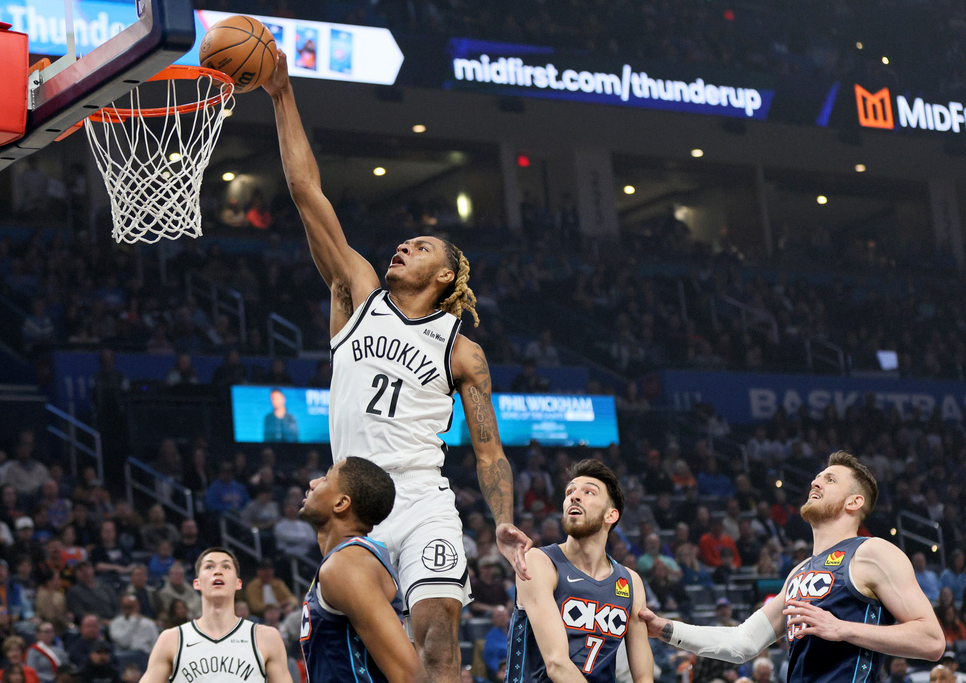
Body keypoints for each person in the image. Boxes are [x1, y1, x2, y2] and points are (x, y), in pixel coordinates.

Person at [264, 52, 530, 683]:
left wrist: (503, 522)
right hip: (357, 504)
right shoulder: (358, 294)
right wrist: (280, 93)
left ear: (444, 276)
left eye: (422, 246)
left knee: (438, 645)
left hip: (424, 499)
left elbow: (488, 451)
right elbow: (307, 192)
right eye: (405, 241)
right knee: (379, 656)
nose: (404, 244)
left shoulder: (461, 350)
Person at [639, 451, 946, 683]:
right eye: (818, 477)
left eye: (830, 479)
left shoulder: (873, 552)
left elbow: (931, 641)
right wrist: (665, 629)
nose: (815, 481)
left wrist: (842, 628)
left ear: (854, 502)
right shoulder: (798, 573)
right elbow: (742, 643)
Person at [506, 459, 654, 683]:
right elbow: (557, 664)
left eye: (589, 492)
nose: (574, 497)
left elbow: (644, 678)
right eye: (570, 492)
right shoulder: (539, 562)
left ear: (610, 515)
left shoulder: (630, 582)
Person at [297, 456, 424, 683]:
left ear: (341, 503)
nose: (313, 483)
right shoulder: (348, 560)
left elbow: (409, 676)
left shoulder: (346, 565)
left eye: (325, 479)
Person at [137, 548, 292, 683]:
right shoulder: (172, 639)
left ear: (238, 583)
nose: (218, 571)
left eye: (226, 566)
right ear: (196, 583)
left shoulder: (267, 637)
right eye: (209, 566)